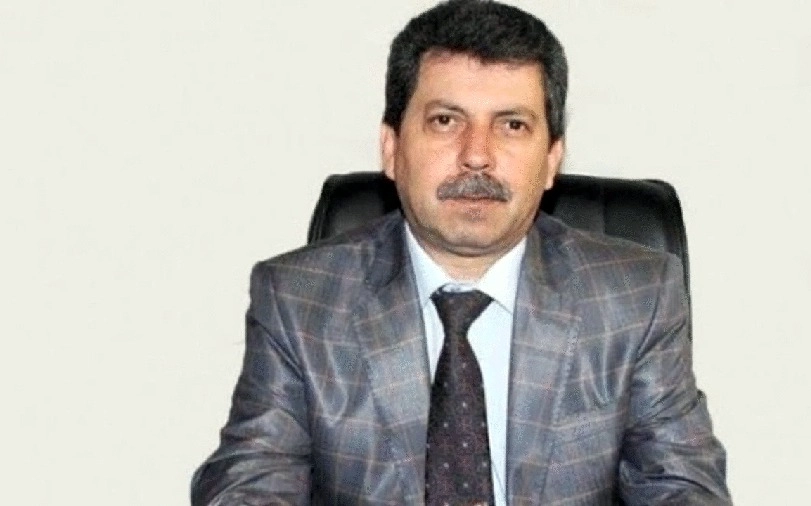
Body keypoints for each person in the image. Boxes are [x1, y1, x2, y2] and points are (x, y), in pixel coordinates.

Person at [191, 0, 731, 504]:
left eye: (512, 125)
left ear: (551, 160)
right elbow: (249, 484)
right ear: (391, 149)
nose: (477, 155)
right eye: (446, 121)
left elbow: (682, 489)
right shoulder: (298, 301)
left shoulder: (636, 299)